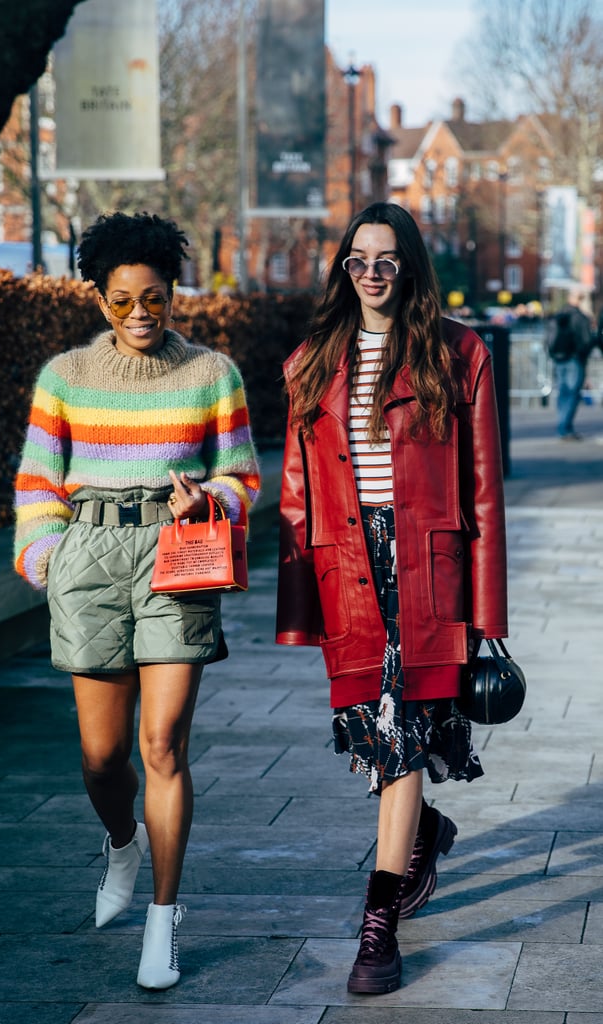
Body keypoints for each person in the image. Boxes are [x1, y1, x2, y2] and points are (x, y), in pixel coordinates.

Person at [14, 211, 260, 989]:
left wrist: (210, 500)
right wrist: (50, 559)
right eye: (123, 301)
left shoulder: (212, 373)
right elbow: (36, 486)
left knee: (162, 747)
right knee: (100, 758)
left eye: (153, 298)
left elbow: (243, 474)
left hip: (176, 556)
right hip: (88, 558)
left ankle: (163, 917)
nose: (140, 315)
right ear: (100, 300)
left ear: (173, 292)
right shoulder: (65, 378)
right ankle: (121, 838)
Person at [275, 202, 508, 995]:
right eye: (356, 261)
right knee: (380, 734)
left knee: (399, 729)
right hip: (348, 565)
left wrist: (487, 610)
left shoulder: (456, 351)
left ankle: (377, 925)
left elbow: (483, 487)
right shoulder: (312, 360)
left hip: (427, 561)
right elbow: (296, 494)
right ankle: (421, 839)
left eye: (385, 261)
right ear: (343, 269)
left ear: (407, 268)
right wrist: (299, 606)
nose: (370, 274)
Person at [546, 289, 593, 440]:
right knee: (572, 394)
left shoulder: (558, 315)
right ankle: (565, 427)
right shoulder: (580, 317)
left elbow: (548, 337)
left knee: (563, 392)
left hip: (559, 358)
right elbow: (586, 340)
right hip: (575, 358)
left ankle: (562, 425)